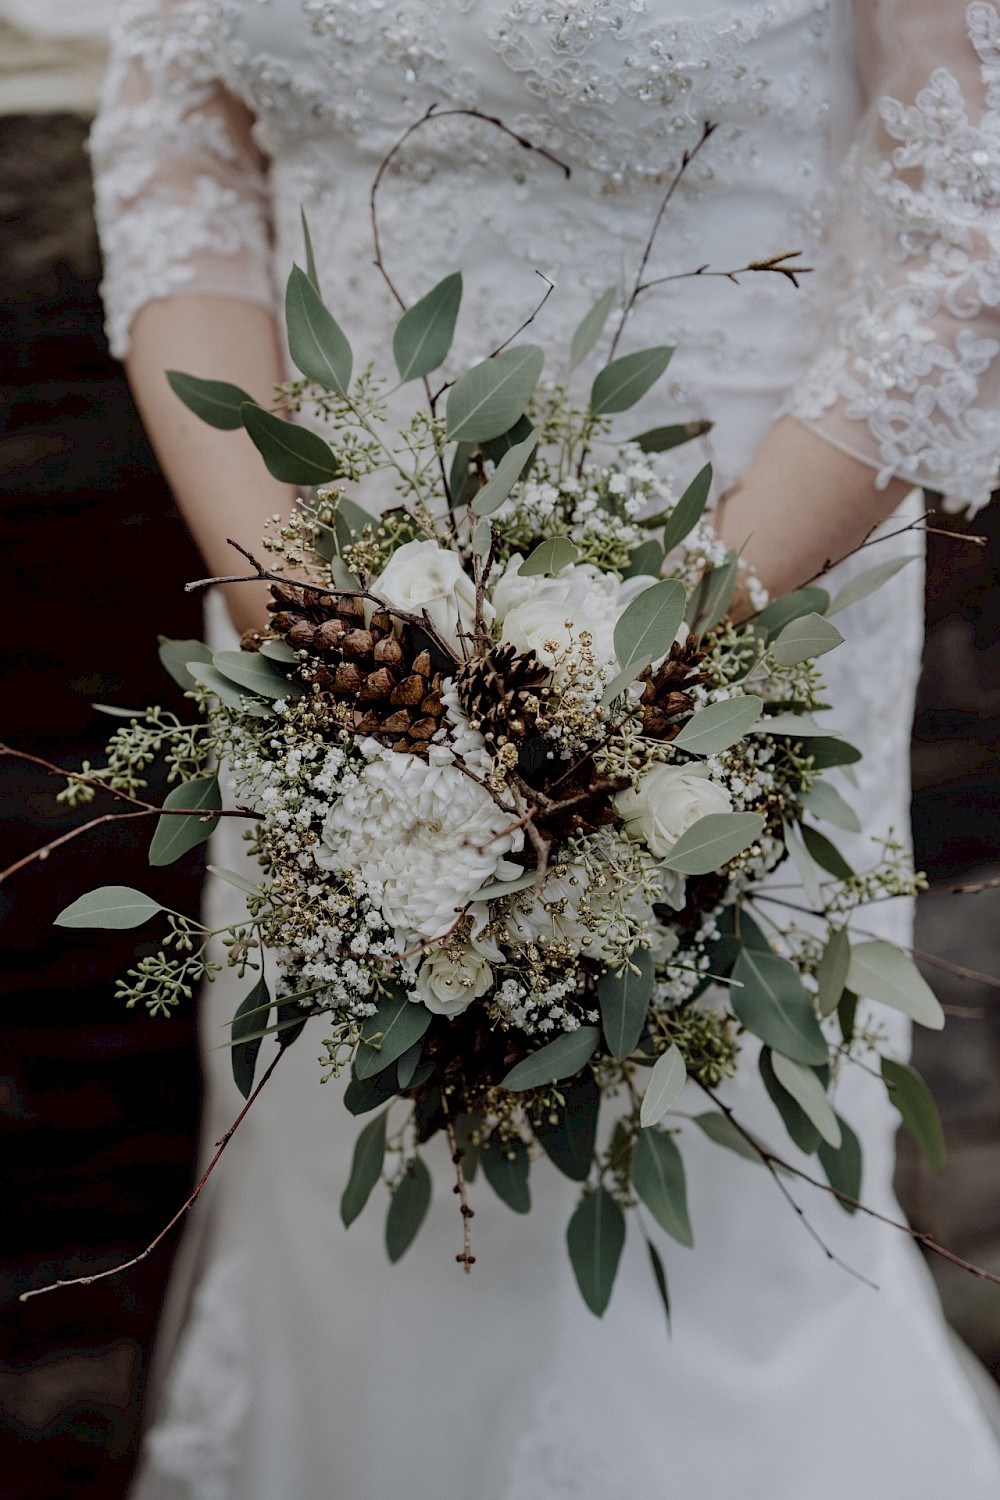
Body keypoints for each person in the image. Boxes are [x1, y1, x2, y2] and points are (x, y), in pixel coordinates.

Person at [89, 3, 1000, 1497]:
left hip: (728, 624)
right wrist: (318, 620)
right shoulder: (331, 645)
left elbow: (969, 211)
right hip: (341, 655)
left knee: (688, 1258)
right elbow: (167, 152)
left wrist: (645, 668)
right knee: (357, 1205)